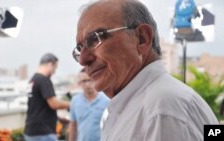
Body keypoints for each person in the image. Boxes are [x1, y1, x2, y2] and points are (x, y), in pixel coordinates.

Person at [72, 0, 219, 140]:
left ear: (142, 38)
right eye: (80, 48)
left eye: (95, 39)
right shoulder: (142, 106)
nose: (83, 60)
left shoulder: (161, 110)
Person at [24, 53, 70, 141]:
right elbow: (54, 104)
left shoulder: (33, 79)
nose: (54, 72)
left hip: (31, 130)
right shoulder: (44, 80)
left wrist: (59, 119)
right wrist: (72, 104)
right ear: (50, 64)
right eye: (55, 68)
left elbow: (39, 107)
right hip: (43, 132)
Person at [68, 69, 110, 141]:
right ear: (79, 83)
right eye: (84, 81)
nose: (87, 84)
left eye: (90, 80)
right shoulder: (75, 101)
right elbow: (73, 125)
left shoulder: (107, 100)